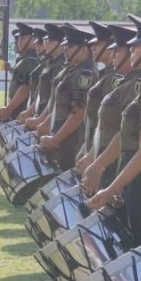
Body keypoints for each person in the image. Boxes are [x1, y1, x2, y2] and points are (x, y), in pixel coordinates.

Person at [87, 16, 141, 246]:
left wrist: (110, 189)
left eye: (136, 46)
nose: (131, 50)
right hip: (137, 180)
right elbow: (127, 135)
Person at [82, 23, 141, 195]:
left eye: (118, 51)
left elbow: (123, 130)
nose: (113, 54)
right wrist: (92, 153)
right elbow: (102, 124)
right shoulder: (125, 81)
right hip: (104, 156)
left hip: (116, 161)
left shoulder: (135, 85)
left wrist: (99, 161)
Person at [38, 24, 95, 171]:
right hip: (62, 136)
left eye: (70, 46)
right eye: (65, 46)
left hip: (73, 140)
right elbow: (58, 105)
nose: (65, 50)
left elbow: (79, 113)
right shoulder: (72, 69)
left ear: (84, 49)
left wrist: (56, 139)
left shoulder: (85, 73)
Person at [74, 21, 117, 174]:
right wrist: (85, 148)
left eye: (98, 44)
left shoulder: (114, 79)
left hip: (105, 152)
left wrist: (92, 154)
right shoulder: (105, 75)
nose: (92, 47)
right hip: (95, 146)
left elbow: (109, 125)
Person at [0, 23, 39, 123]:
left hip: (22, 110)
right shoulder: (25, 59)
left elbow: (25, 88)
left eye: (23, 39)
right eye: (19, 39)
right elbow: (20, 78)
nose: (19, 42)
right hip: (18, 108)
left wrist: (9, 109)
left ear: (33, 40)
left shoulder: (31, 60)